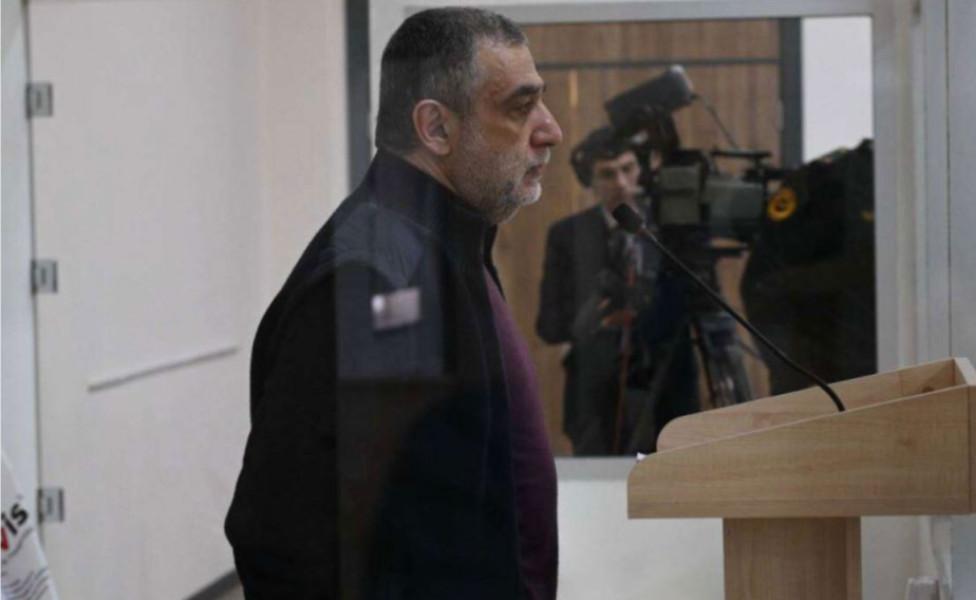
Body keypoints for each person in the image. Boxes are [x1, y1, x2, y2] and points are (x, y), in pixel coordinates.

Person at [225, 8, 563, 599]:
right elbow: (278, 535)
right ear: (435, 128)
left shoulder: (447, 246)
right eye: (520, 106)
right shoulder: (377, 279)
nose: (550, 130)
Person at [536, 127, 698, 456]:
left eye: (628, 169)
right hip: (595, 394)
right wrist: (597, 318)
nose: (621, 183)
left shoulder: (672, 229)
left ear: (642, 170)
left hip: (667, 386)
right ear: (590, 180)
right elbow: (549, 324)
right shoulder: (567, 235)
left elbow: (692, 302)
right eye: (608, 174)